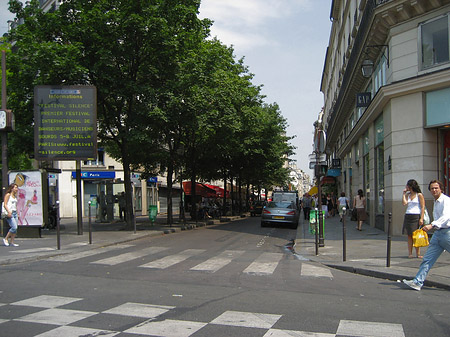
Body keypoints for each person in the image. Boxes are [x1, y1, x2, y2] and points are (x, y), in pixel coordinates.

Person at [403, 180, 450, 291]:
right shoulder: (436, 201)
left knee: (428, 259)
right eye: (432, 188)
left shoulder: (446, 200)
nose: (434, 190)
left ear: (441, 189)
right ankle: (417, 282)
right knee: (427, 259)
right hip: (438, 234)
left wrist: (432, 225)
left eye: (436, 188)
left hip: (447, 233)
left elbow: (447, 216)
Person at [401, 179, 425, 258]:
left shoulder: (419, 195)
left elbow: (422, 207)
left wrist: (421, 218)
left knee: (416, 235)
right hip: (408, 215)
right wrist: (404, 194)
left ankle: (418, 253)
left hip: (416, 215)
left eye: (407, 185)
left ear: (411, 186)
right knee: (409, 235)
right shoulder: (408, 195)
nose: (406, 187)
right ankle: (410, 253)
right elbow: (404, 203)